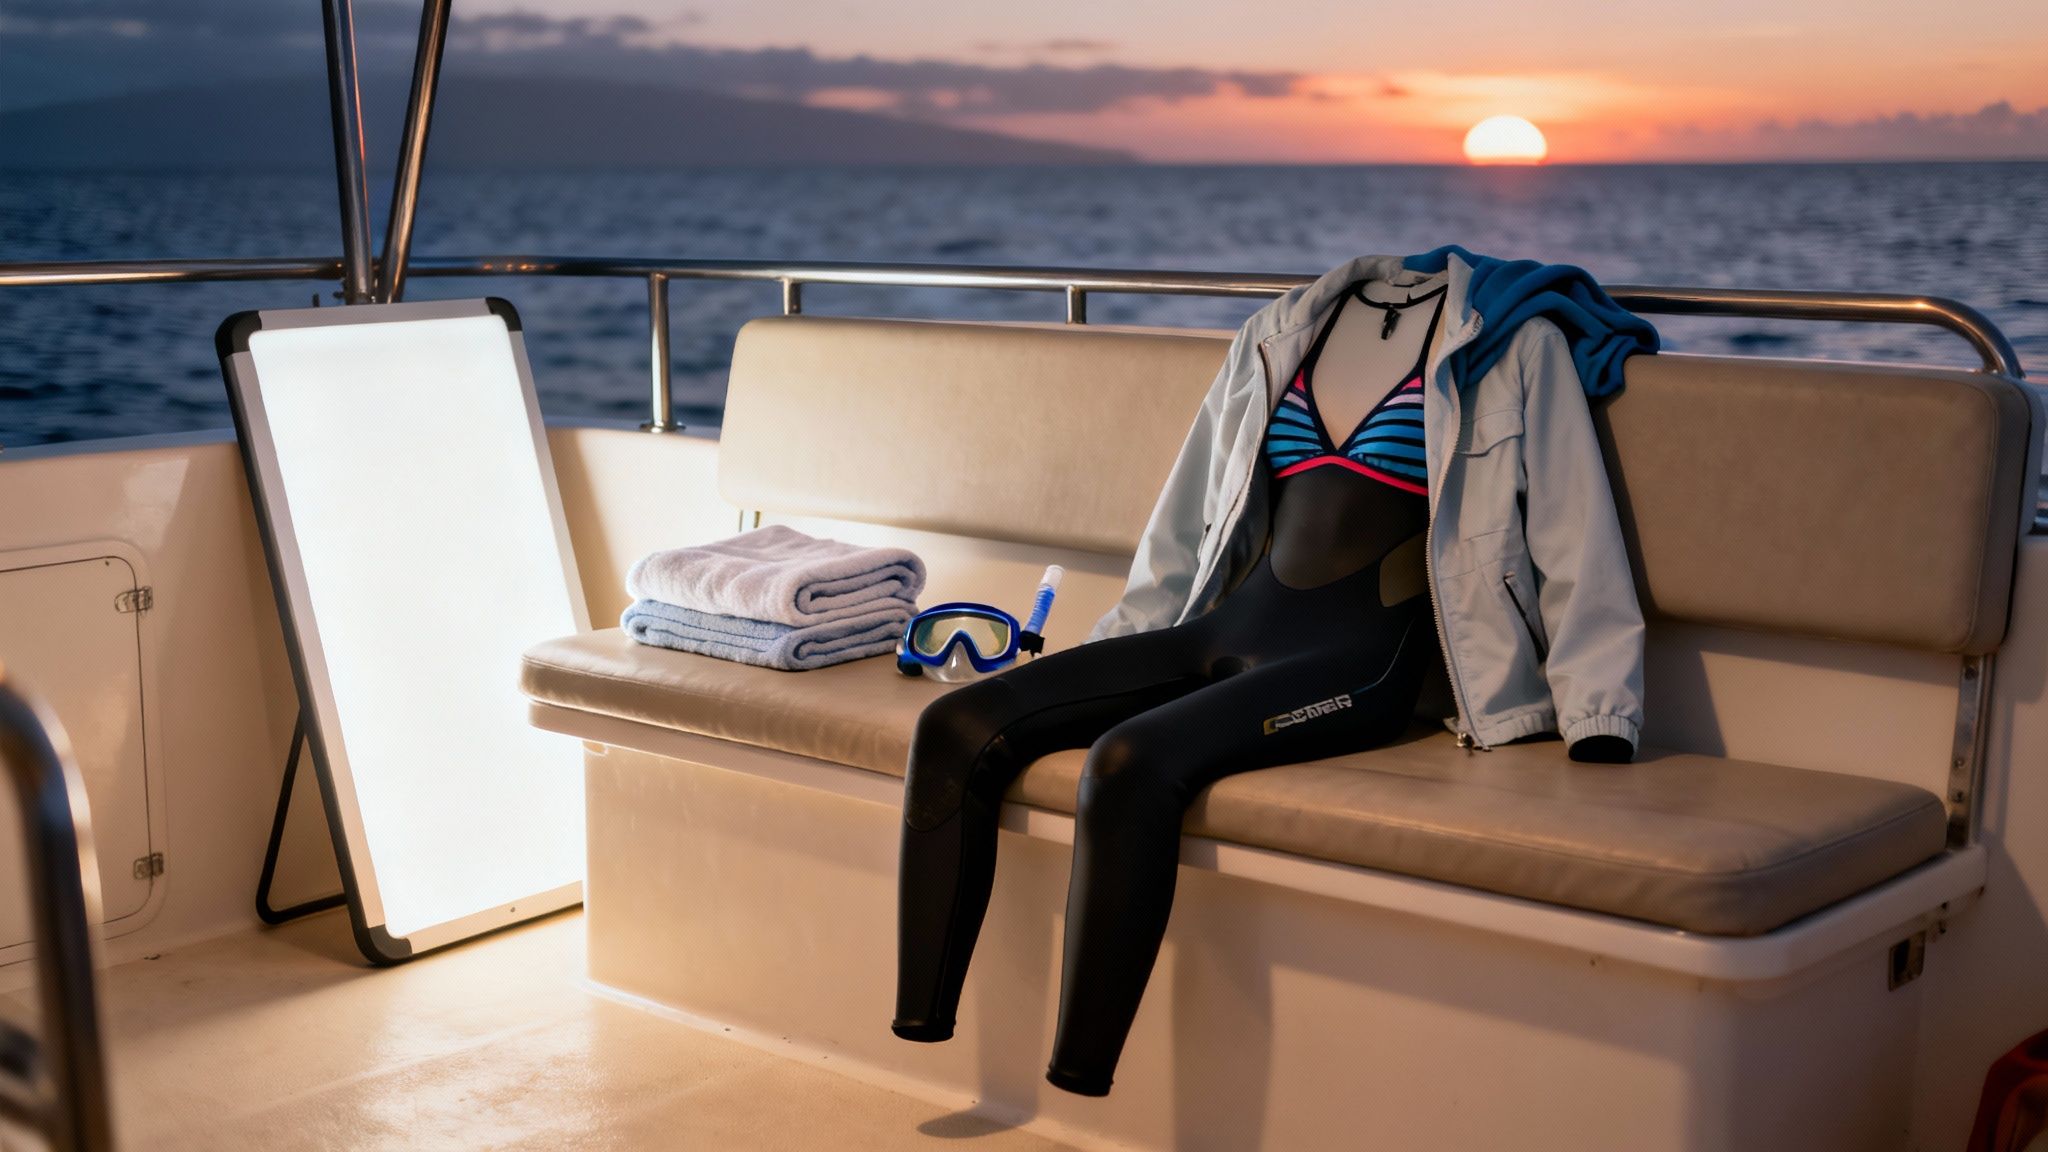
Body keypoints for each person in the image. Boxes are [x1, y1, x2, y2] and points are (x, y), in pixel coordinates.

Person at [892, 250, 1652, 1097]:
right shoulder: (1280, 330)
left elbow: (1574, 534)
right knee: (955, 724)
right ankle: (919, 1023)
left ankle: (1079, 1076)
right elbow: (1186, 518)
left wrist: (1599, 715)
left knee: (1131, 764)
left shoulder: (1514, 344)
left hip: (1365, 663)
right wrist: (1120, 645)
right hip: (1235, 622)